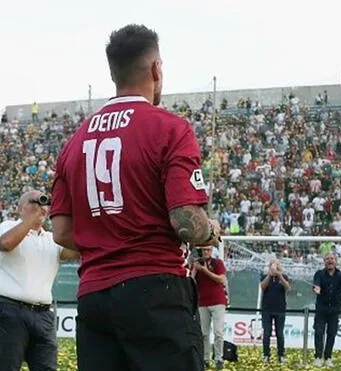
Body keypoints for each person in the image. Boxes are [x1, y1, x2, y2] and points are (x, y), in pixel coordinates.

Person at [50, 24, 221, 371]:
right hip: (156, 290)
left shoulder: (74, 142)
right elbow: (185, 221)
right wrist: (210, 230)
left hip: (94, 297)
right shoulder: (171, 128)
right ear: (156, 69)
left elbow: (62, 233)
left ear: (113, 73)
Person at [0, 191, 79, 371]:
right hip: (9, 310)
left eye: (44, 203)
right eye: (33, 202)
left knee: (47, 367)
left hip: (43, 314)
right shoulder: (7, 226)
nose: (40, 206)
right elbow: (6, 243)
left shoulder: (52, 240)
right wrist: (31, 220)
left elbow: (78, 250)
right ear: (21, 209)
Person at [312, 252, 341, 368]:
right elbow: (316, 284)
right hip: (321, 309)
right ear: (324, 261)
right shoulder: (319, 274)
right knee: (319, 332)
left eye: (332, 259)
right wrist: (317, 289)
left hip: (334, 310)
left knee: (331, 334)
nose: (330, 261)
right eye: (327, 259)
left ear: (336, 261)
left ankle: (328, 357)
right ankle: (318, 357)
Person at [193, 245, 228, 370]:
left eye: (208, 250)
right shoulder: (198, 264)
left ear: (212, 251)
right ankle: (205, 358)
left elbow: (221, 279)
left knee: (218, 332)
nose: (206, 252)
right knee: (203, 333)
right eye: (204, 250)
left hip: (217, 301)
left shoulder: (217, 263)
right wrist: (195, 270)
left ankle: (219, 358)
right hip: (202, 302)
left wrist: (205, 270)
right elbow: (191, 281)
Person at [260, 259, 291, 365]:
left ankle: (281, 355)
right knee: (266, 333)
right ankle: (266, 355)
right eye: (273, 265)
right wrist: (270, 275)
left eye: (277, 265)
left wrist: (279, 275)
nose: (275, 267)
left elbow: (288, 288)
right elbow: (262, 287)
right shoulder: (264, 276)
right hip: (267, 309)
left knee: (280, 334)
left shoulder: (284, 277)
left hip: (280, 309)